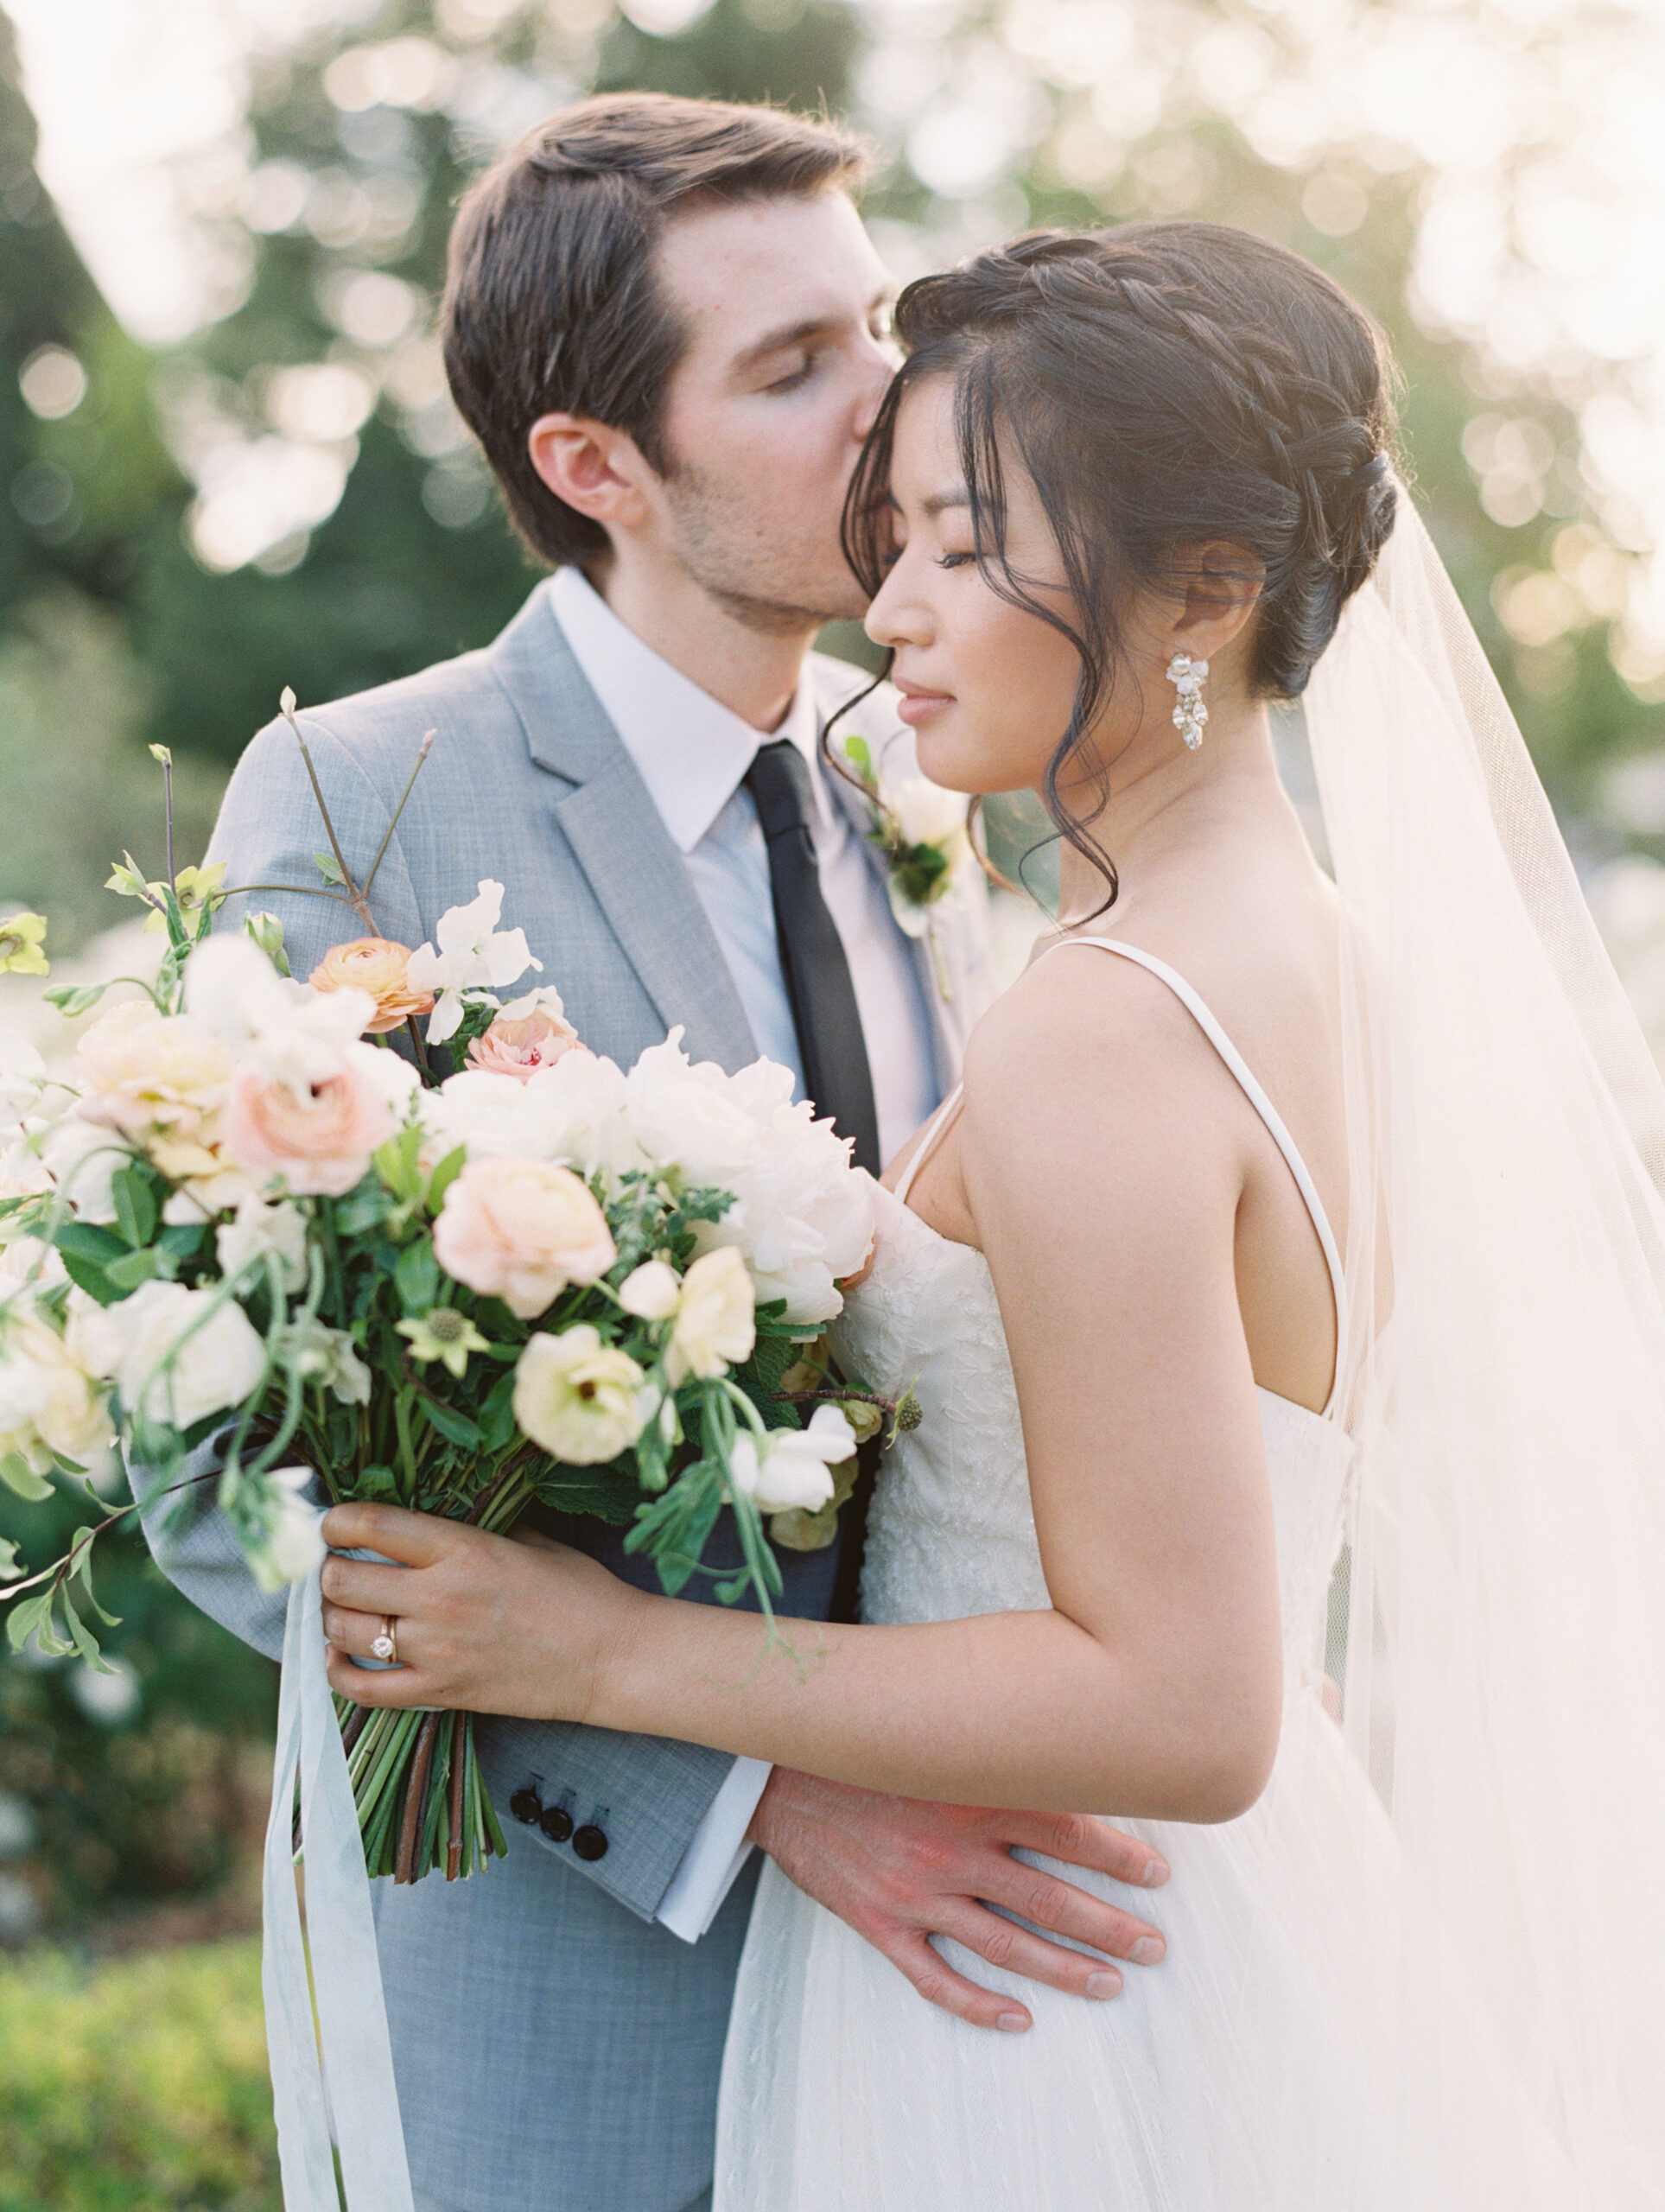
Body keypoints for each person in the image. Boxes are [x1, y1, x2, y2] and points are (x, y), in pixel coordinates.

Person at [321, 219, 1665, 2208]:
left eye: (965, 543)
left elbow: (1186, 1703)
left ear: (1204, 589)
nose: (895, 609)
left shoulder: (1106, 1029)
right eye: (905, 537)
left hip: (1038, 1990)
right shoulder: (1308, 950)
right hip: (1205, 1931)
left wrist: (593, 1651)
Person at [139, 99, 1172, 2212]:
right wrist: (757, 1796)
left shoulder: (921, 781)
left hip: (971, 2006)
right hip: (594, 2017)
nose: (891, 414)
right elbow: (224, 1469)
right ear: (594, 468)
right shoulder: (361, 798)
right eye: (792, 370)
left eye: (874, 329)